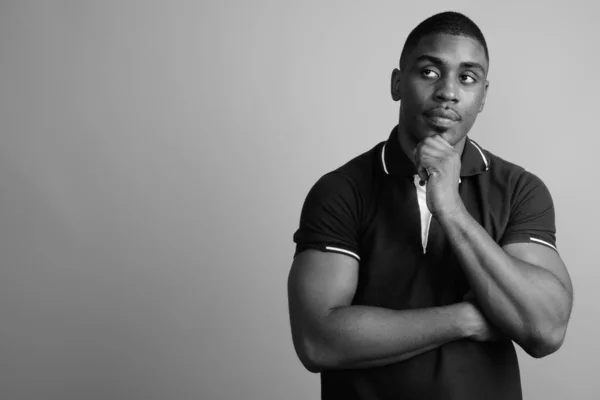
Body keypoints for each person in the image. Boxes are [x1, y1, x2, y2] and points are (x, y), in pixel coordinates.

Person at [287, 11, 573, 400]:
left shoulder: (519, 189)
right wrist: (465, 320)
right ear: (397, 83)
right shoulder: (341, 191)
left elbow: (546, 329)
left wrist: (451, 210)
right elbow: (318, 341)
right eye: (429, 72)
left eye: (467, 78)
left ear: (483, 96)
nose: (448, 92)